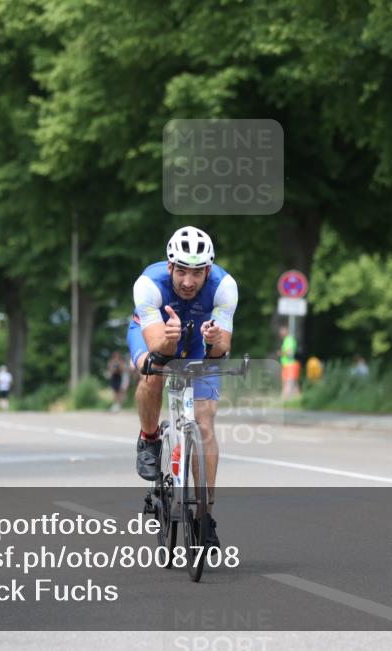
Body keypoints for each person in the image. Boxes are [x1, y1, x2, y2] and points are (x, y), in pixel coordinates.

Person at [129, 226, 237, 548]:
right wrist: (168, 338)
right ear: (170, 266)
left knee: (205, 423)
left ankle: (205, 517)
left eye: (196, 273)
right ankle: (149, 439)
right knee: (152, 371)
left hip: (199, 342)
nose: (188, 282)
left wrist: (216, 342)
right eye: (181, 272)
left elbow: (222, 350)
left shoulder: (224, 288)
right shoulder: (149, 285)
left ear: (208, 270)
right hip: (157, 335)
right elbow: (155, 346)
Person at [279, 326, 299, 400]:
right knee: (293, 383)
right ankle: (298, 399)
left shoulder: (289, 339)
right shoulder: (286, 340)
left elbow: (290, 352)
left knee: (288, 382)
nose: (281, 334)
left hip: (290, 364)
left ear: (286, 332)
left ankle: (283, 399)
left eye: (282, 332)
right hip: (286, 364)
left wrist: (282, 353)